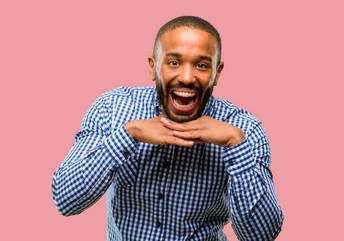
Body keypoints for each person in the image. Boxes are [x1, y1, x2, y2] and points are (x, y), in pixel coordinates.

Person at [51, 16, 284, 241]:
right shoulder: (111, 108)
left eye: (202, 65)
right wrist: (128, 135)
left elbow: (261, 236)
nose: (186, 77)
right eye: (174, 62)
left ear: (216, 73)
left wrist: (236, 146)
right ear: (153, 67)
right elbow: (65, 200)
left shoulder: (245, 129)